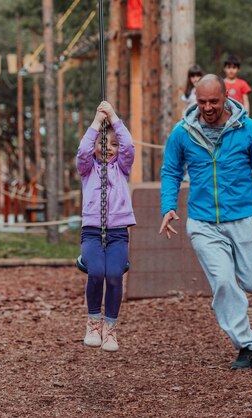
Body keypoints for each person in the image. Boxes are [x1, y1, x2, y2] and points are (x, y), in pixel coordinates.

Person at [159, 74, 252, 369]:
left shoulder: (250, 130)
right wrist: (168, 206)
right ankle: (246, 345)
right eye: (202, 102)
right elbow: (171, 171)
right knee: (224, 282)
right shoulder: (182, 132)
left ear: (226, 98)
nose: (208, 107)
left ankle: (245, 285)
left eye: (214, 101)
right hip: (203, 222)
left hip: (244, 217)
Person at [76, 101, 136, 352]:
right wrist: (97, 123)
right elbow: (82, 150)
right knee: (97, 272)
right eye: (104, 143)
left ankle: (110, 330)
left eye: (113, 144)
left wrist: (113, 116)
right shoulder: (87, 168)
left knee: (114, 275)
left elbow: (129, 147)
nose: (108, 148)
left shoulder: (122, 168)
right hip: (92, 230)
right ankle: (93, 323)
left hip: (118, 232)